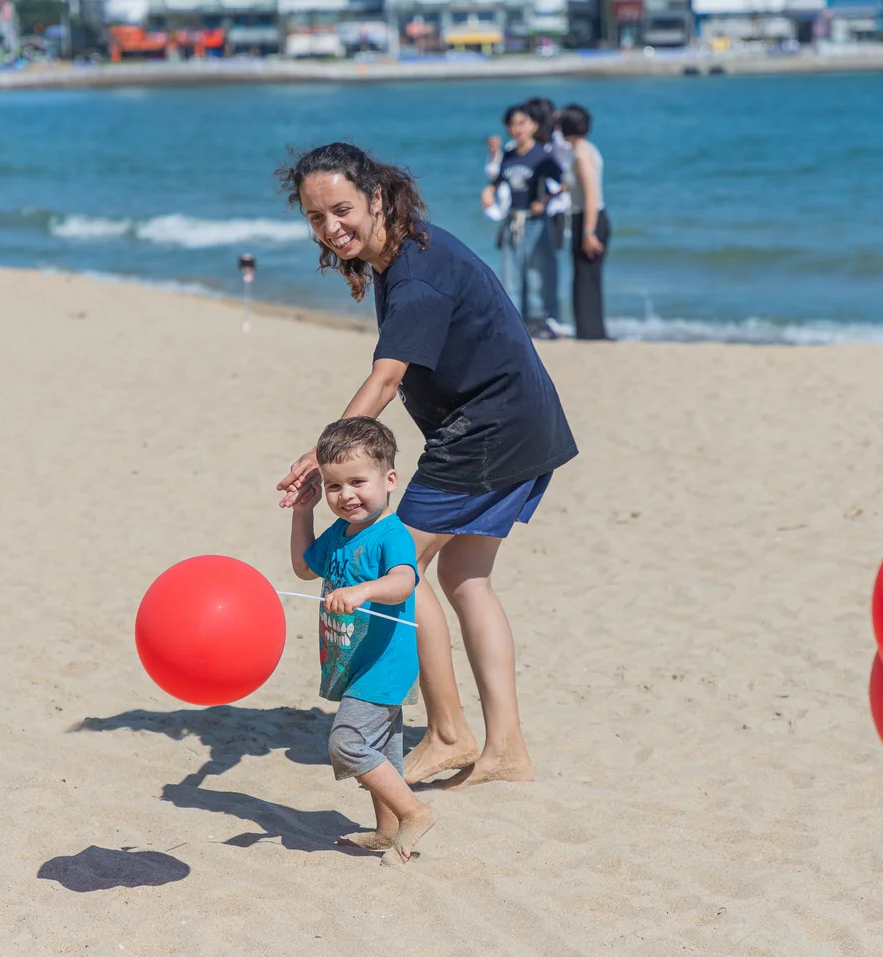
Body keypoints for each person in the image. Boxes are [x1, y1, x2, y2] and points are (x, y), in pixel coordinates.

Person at [276, 142, 578, 789]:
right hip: (519, 424)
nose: (331, 228)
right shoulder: (402, 252)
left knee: (396, 567)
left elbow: (386, 380)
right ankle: (507, 750)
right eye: (316, 219)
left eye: (342, 210)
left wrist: (325, 451)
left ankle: (449, 732)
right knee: (467, 578)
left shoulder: (415, 273)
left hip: (488, 434)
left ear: (377, 198)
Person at [289, 416, 434, 864]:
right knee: (383, 748)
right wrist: (302, 511)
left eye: (357, 481)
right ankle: (387, 830)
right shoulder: (338, 532)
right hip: (355, 660)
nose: (346, 495)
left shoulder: (391, 533)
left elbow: (404, 582)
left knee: (348, 743)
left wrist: (362, 591)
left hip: (384, 662)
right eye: (334, 487)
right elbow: (303, 568)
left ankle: (414, 812)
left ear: (389, 480)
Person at [483, 105, 566, 339]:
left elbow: (566, 182)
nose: (517, 129)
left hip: (536, 222)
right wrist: (488, 192)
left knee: (538, 274)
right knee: (510, 275)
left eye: (522, 123)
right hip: (512, 220)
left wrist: (546, 200)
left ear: (533, 126)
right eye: (512, 125)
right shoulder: (509, 154)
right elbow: (497, 179)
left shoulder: (542, 154)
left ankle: (542, 323)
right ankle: (515, 325)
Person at [557, 104, 612, 341]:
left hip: (590, 218)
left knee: (586, 277)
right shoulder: (582, 150)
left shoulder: (581, 154)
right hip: (587, 217)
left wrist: (589, 232)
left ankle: (591, 332)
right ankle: (590, 330)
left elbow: (591, 193)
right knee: (585, 276)